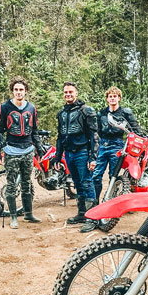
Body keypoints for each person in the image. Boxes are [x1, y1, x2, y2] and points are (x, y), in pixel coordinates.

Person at [0, 76, 44, 229]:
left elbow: (34, 130)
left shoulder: (31, 108)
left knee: (27, 183)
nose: (18, 92)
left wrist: (39, 150)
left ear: (26, 91)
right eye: (16, 90)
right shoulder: (4, 108)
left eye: (21, 89)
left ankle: (28, 213)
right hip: (11, 150)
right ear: (12, 91)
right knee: (11, 185)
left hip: (28, 150)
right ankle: (13, 216)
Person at [54, 82, 99, 233]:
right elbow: (60, 137)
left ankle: (93, 218)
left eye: (70, 92)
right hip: (69, 153)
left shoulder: (86, 111)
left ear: (76, 93)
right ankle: (81, 214)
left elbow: (94, 135)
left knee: (87, 183)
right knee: (77, 184)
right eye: (65, 92)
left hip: (82, 152)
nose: (68, 94)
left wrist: (92, 157)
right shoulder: (61, 113)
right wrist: (57, 158)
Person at [93, 86, 141, 202]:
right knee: (96, 175)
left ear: (119, 98)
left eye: (115, 96)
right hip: (103, 144)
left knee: (113, 176)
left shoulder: (125, 112)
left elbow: (135, 128)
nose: (112, 99)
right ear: (107, 99)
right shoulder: (101, 113)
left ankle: (111, 201)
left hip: (117, 145)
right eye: (110, 96)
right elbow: (97, 131)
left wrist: (140, 137)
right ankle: (95, 203)